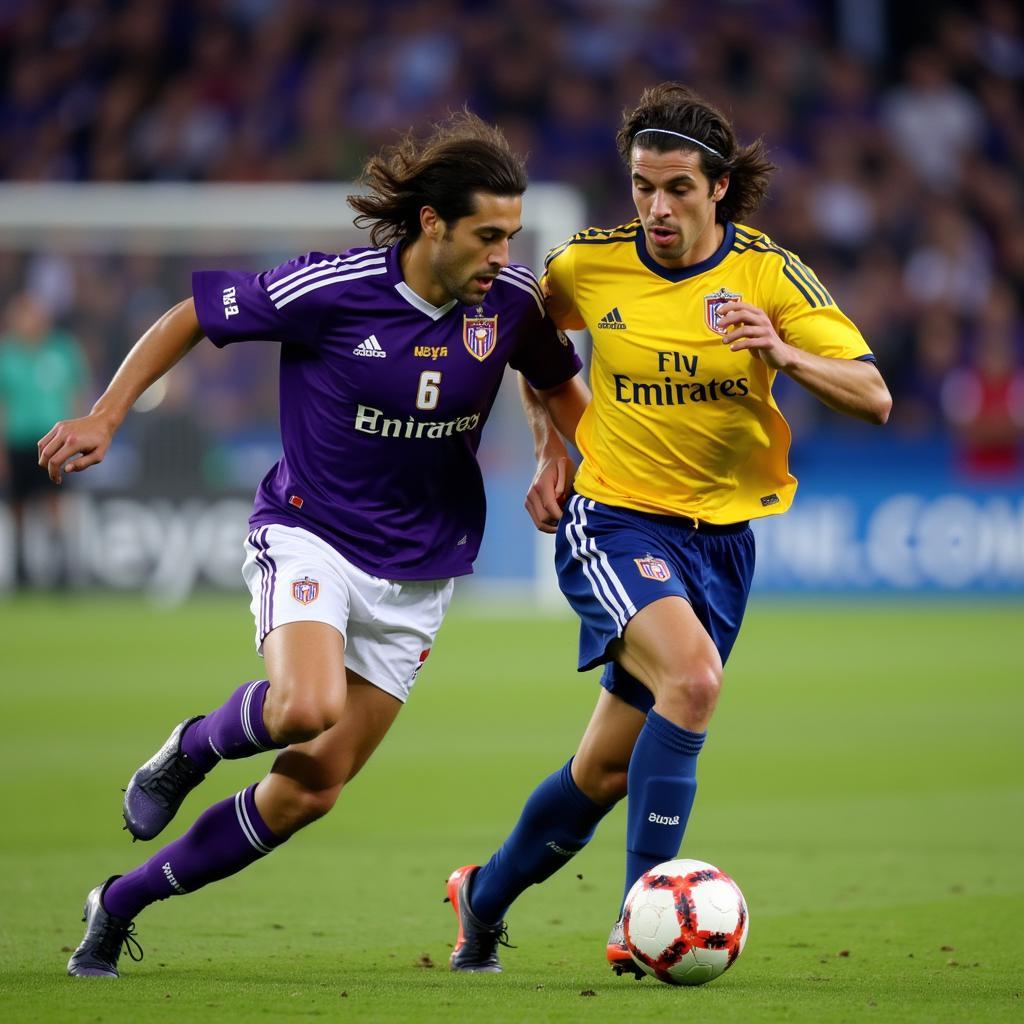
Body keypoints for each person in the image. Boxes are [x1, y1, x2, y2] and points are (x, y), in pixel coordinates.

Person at [42, 111, 587, 978]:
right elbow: (192, 314)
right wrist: (107, 414)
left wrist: (561, 451)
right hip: (312, 534)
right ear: (432, 223)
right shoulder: (333, 289)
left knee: (308, 790)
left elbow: (558, 383)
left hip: (420, 572)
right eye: (488, 235)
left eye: (512, 236)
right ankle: (190, 748)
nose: (503, 254)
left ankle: (119, 903)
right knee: (302, 705)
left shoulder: (509, 304)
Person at [445, 82, 892, 976]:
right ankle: (641, 918)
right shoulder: (588, 264)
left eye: (677, 188)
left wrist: (783, 352)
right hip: (614, 521)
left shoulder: (768, 275)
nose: (655, 205)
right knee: (694, 680)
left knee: (604, 773)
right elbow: (532, 348)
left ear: (718, 187)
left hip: (721, 547)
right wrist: (550, 451)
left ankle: (481, 898)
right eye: (643, 185)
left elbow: (874, 396)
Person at [0, 291, 87, 587]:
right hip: (18, 441)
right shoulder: (7, 354)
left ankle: (61, 568)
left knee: (56, 504)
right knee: (18, 507)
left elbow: (76, 394)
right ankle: (21, 570)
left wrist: (79, 437)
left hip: (56, 440)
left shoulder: (63, 350)